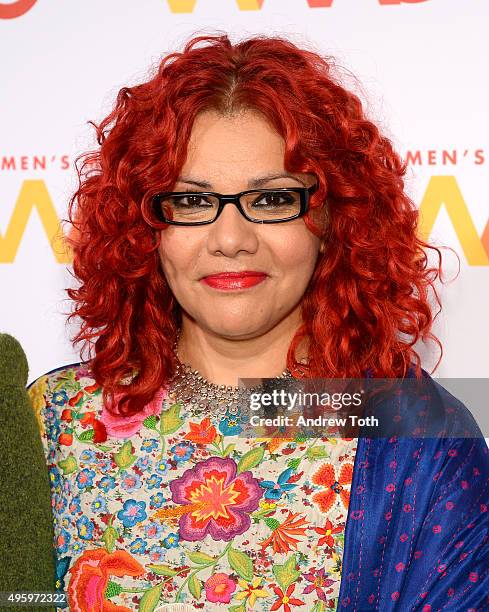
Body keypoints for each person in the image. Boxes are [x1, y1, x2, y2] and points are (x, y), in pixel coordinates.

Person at [27, 34, 488, 611]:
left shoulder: (414, 432)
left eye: (271, 201)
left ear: (333, 215)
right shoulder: (56, 420)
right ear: (145, 224)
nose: (230, 240)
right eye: (192, 202)